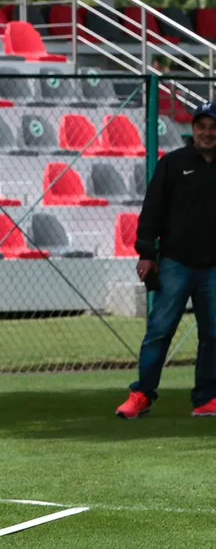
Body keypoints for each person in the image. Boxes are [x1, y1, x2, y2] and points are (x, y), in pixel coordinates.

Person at [116, 101, 216, 419]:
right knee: (159, 330)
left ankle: (206, 399)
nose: (208, 132)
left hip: (214, 267)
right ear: (193, 129)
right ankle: (142, 394)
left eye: (213, 127)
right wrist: (147, 253)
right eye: (202, 126)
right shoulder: (172, 163)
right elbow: (152, 210)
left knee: (214, 335)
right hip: (175, 262)